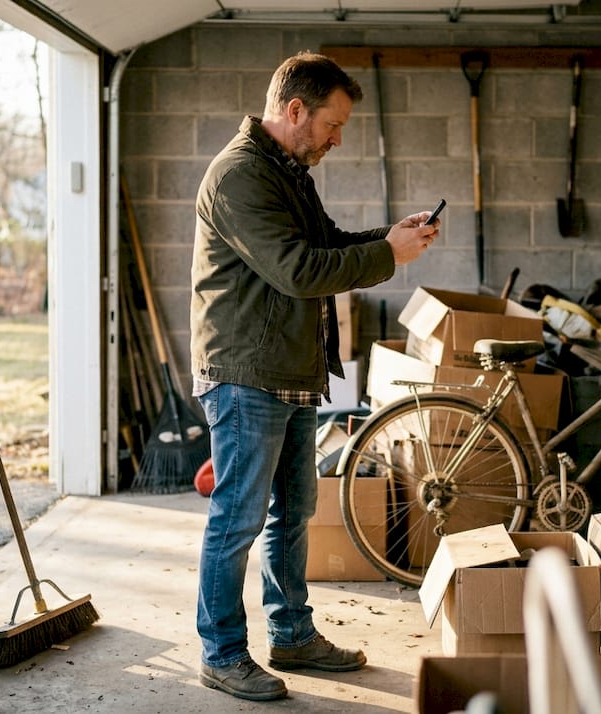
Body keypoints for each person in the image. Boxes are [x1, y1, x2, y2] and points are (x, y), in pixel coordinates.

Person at [189, 51, 439, 702]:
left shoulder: (287, 173)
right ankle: (221, 653)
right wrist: (388, 256)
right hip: (246, 373)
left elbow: (326, 244)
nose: (337, 139)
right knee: (237, 519)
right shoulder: (239, 176)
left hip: (288, 371)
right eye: (333, 124)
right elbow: (299, 270)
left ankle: (292, 634)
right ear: (295, 110)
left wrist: (389, 236)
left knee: (293, 512)